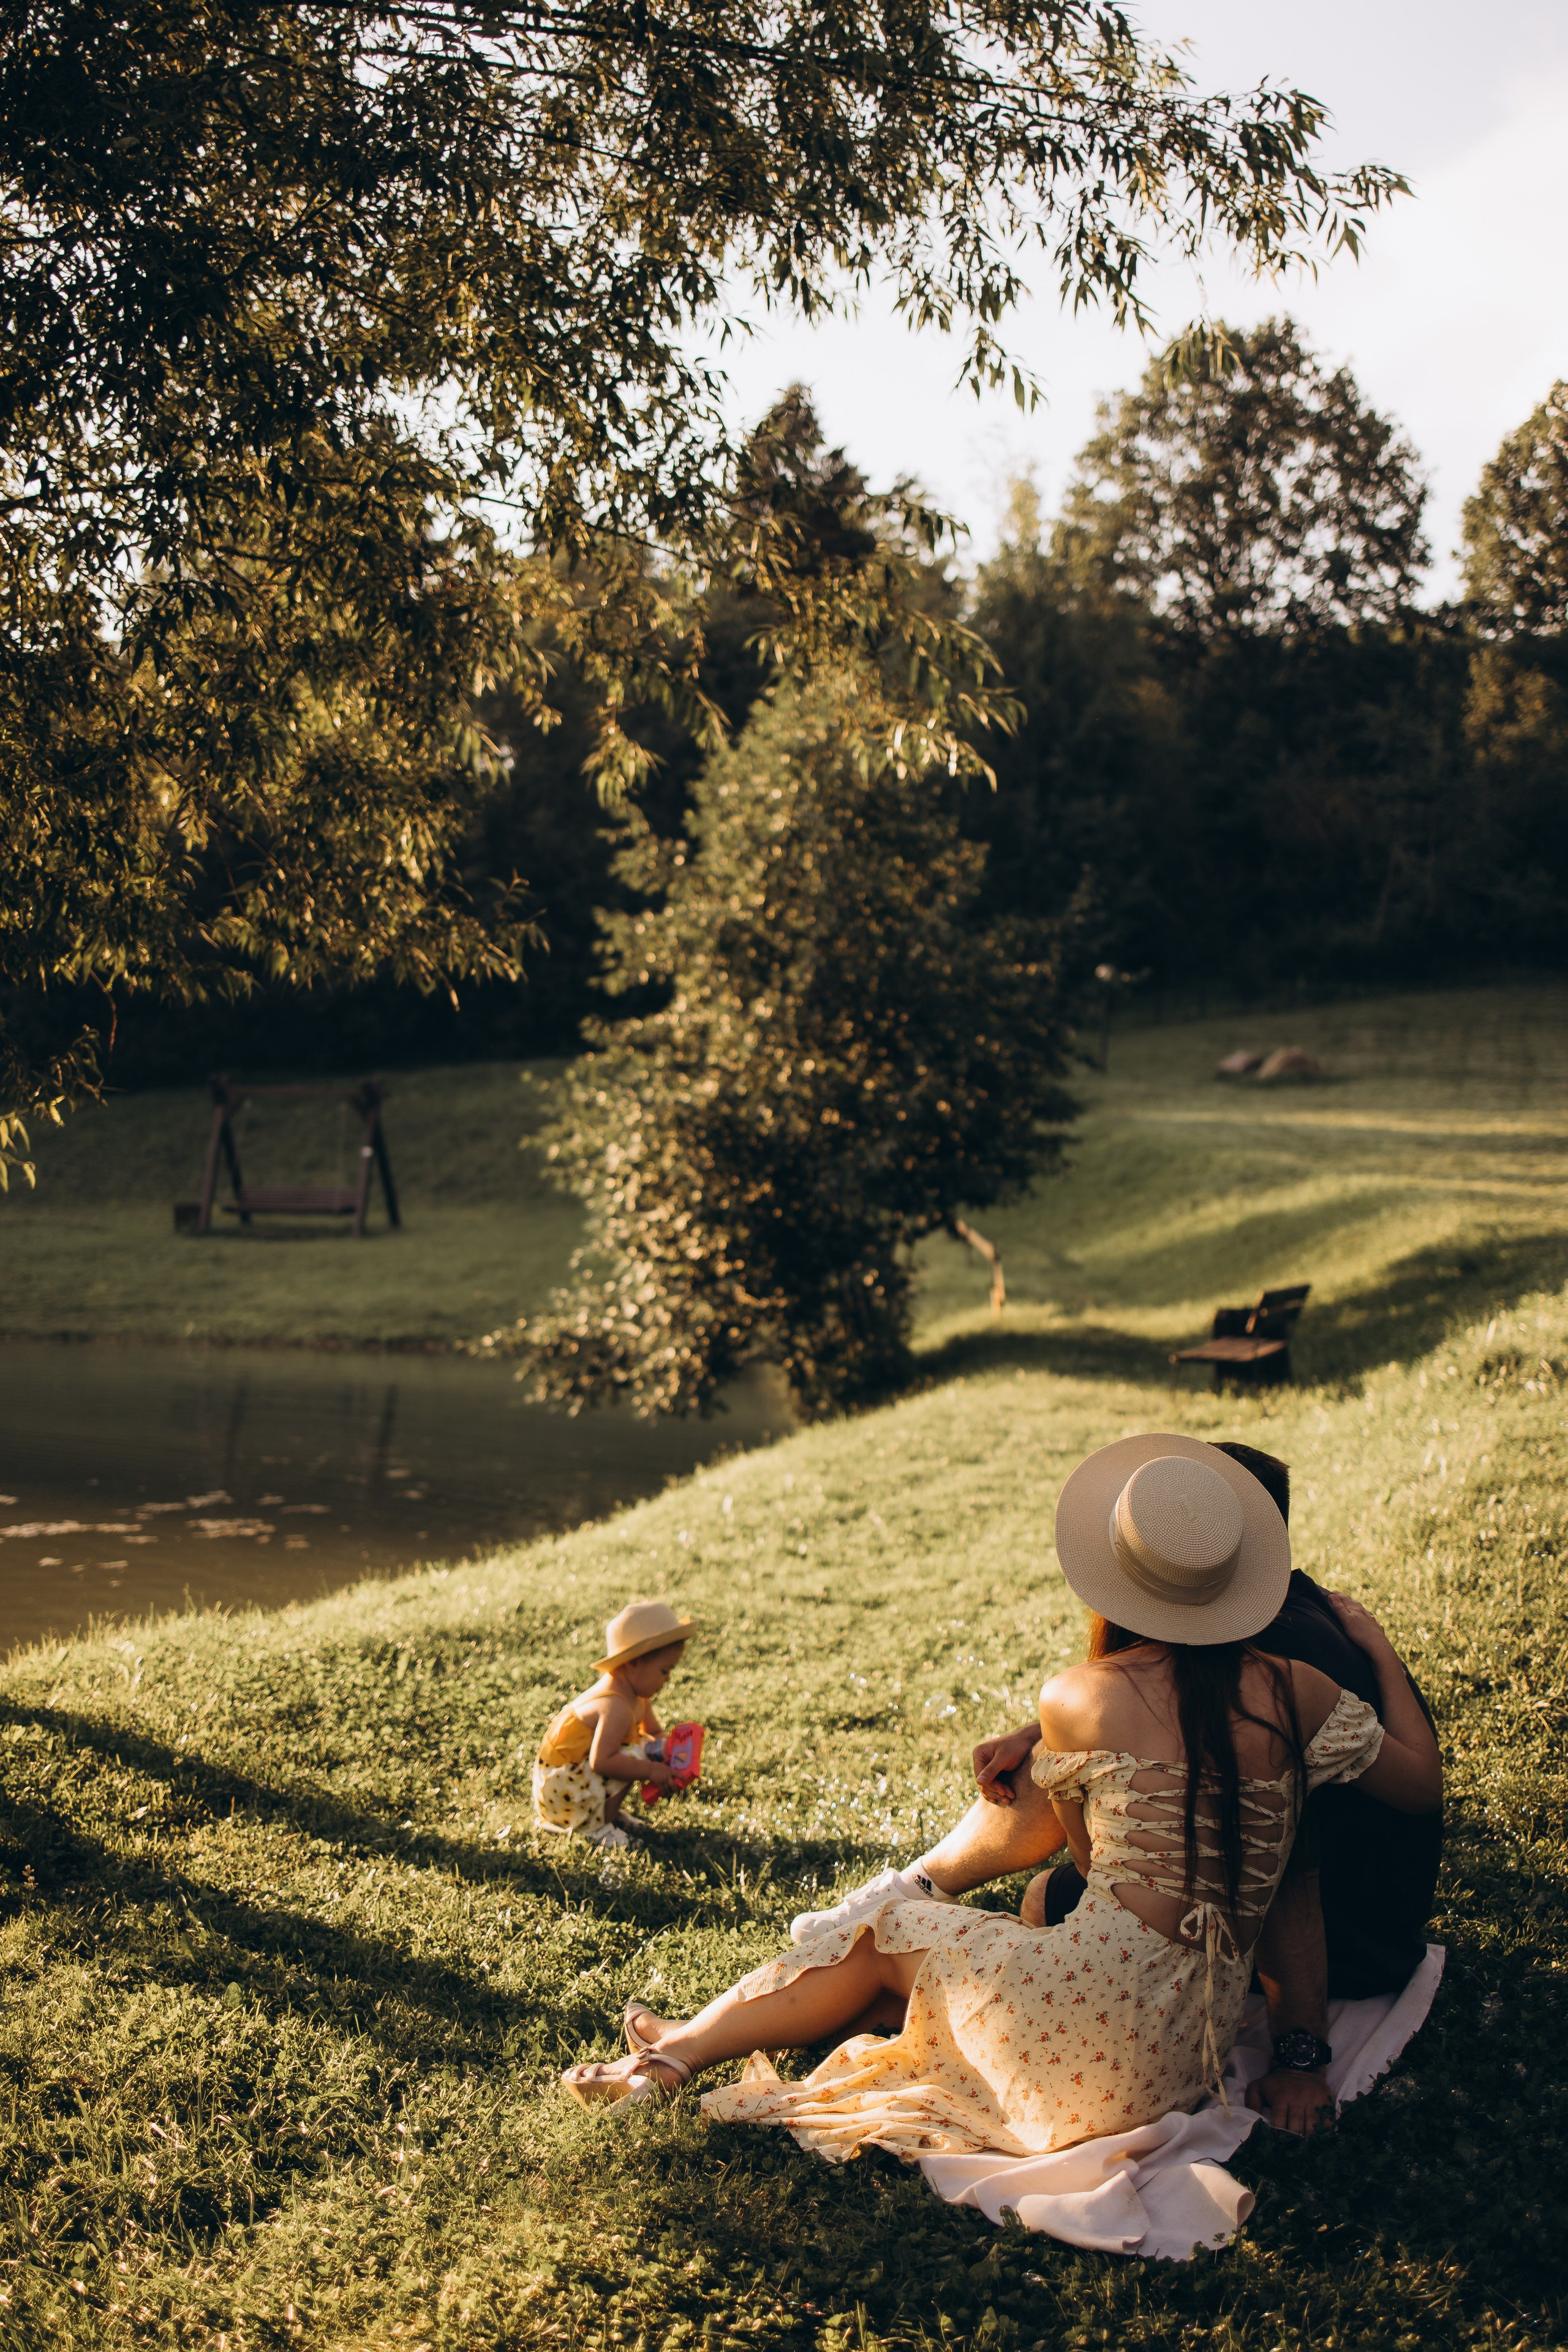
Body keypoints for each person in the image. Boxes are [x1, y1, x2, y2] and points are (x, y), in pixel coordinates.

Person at [560, 1434, 1441, 2150]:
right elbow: (1419, 1787)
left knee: (883, 1932)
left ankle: (674, 2058)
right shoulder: (1303, 1689)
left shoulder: (1079, 1696)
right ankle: (687, 2036)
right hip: (1180, 2056)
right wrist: (1378, 1652)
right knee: (920, 1974)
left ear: (1121, 1575)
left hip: (1076, 2042)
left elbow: (1094, 1868)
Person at [532, 1599, 696, 1849]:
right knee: (636, 1754)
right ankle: (595, 1826)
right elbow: (603, 1762)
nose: (668, 1679)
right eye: (664, 1671)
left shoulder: (637, 1695)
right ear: (633, 1663)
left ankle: (607, 1814)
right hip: (561, 1793)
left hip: (575, 1778)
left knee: (644, 1750)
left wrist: (672, 1754)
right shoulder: (615, 1706)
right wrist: (652, 1771)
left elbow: (653, 1733)